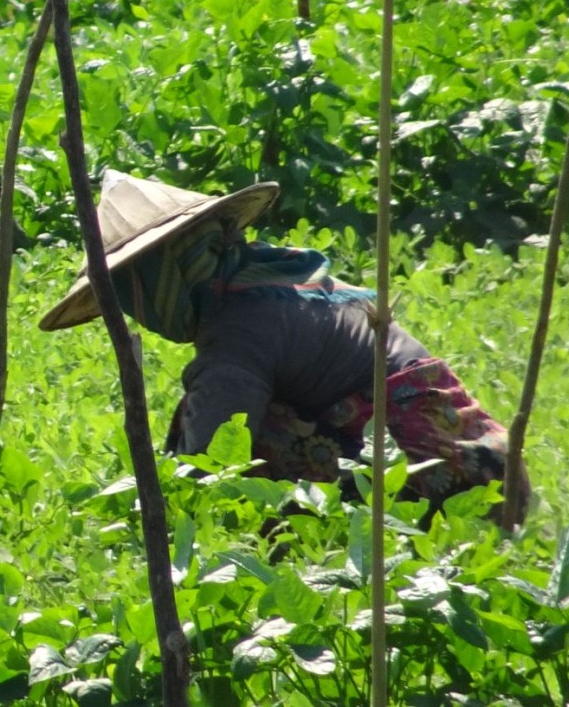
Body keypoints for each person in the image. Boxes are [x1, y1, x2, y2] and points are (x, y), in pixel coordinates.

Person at [40, 171, 523, 510]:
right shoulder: (268, 281)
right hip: (485, 461)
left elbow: (212, 463)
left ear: (167, 273)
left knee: (228, 422)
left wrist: (158, 510)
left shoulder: (239, 331)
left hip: (448, 475)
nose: (138, 313)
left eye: (134, 291)